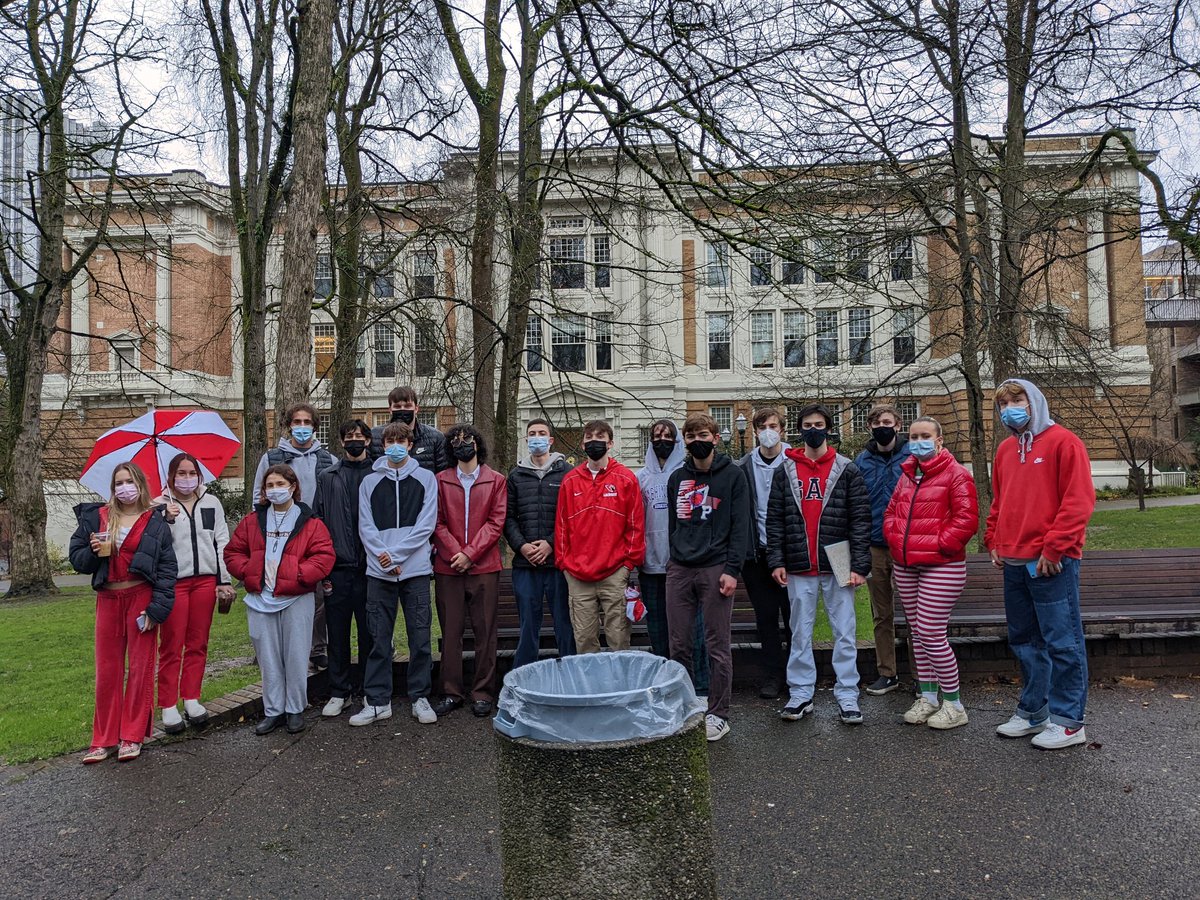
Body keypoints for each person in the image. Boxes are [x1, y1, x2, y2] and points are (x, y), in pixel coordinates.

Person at [986, 379, 1096, 750]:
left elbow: (1078, 501)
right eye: (1003, 403)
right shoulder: (1004, 449)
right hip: (1014, 562)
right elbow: (1000, 501)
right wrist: (994, 541)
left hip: (1050, 564)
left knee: (1062, 642)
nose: (1010, 408)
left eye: (1017, 400)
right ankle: (1035, 712)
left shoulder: (1065, 442)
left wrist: (1054, 549)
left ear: (1034, 401)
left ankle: (1069, 721)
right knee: (1025, 641)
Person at [768, 404, 872, 725]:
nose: (814, 429)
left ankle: (847, 693)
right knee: (800, 631)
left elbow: (860, 520)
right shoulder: (784, 469)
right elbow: (775, 520)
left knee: (845, 630)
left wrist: (860, 565)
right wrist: (777, 560)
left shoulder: (847, 468)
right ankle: (801, 693)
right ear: (800, 429)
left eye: (819, 424)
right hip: (799, 560)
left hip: (839, 556)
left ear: (829, 428)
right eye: (808, 424)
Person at [69, 463, 177, 763]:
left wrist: (156, 609)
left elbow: (168, 569)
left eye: (130, 481)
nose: (124, 488)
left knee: (141, 669)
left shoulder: (154, 522)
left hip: (141, 596)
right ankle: (102, 739)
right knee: (107, 670)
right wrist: (91, 551)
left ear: (141, 485)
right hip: (108, 598)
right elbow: (76, 558)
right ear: (112, 487)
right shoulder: (96, 517)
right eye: (119, 482)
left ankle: (131, 735)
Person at [224, 464, 336, 735]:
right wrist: (249, 572)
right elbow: (233, 552)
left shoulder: (310, 522)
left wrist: (298, 575)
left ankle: (295, 709)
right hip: (260, 599)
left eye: (280, 484)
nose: (275, 490)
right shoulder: (252, 521)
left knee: (296, 656)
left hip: (296, 598)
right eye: (269, 486)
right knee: (268, 658)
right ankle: (273, 711)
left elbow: (324, 556)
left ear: (293, 487)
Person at [883, 417, 978, 730]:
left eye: (925, 436)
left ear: (939, 440)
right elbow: (892, 512)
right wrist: (895, 539)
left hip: (942, 564)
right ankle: (928, 697)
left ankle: (954, 703)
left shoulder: (957, 475)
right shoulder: (908, 475)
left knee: (930, 631)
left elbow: (966, 520)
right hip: (907, 564)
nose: (918, 441)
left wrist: (939, 545)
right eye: (913, 436)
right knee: (918, 633)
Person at [666, 413, 752, 742]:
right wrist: (676, 559)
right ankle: (685, 707)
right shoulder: (677, 479)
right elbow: (676, 525)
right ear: (684, 442)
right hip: (680, 568)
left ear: (716, 437)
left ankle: (719, 713)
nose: (696, 440)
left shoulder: (733, 476)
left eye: (703, 434)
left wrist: (732, 570)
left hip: (717, 566)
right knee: (680, 645)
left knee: (717, 646)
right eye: (690, 436)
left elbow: (740, 526)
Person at [352, 421, 439, 726]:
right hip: (379, 573)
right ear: (383, 445)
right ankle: (377, 701)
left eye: (401, 440)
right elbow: (366, 526)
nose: (395, 446)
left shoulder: (427, 479)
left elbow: (426, 525)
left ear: (411, 444)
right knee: (378, 638)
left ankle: (420, 697)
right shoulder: (369, 482)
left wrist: (398, 555)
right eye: (390, 441)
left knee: (420, 637)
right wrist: (384, 560)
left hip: (415, 571)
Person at [252, 403, 335, 672]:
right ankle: (282, 647)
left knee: (318, 595)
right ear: (289, 425)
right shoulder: (273, 457)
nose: (301, 427)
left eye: (307, 422)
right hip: (280, 535)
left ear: (314, 426)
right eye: (296, 422)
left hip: (313, 534)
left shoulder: (327, 459)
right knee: (279, 590)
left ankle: (318, 647)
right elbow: (258, 496)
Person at [156, 453, 235, 734]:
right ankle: (167, 704)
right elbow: (153, 545)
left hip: (204, 581)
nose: (187, 478)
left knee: (197, 643)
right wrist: (164, 518)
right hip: (174, 583)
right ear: (170, 476)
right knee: (171, 645)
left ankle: (191, 697)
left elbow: (221, 540)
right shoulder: (159, 505)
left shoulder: (211, 502)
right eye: (181, 473)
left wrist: (223, 579)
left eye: (192, 473)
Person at [432, 424, 508, 718]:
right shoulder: (440, 480)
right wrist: (456, 554)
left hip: (484, 567)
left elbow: (496, 522)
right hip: (448, 568)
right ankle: (451, 692)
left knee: (485, 632)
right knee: (451, 632)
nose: (462, 445)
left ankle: (482, 692)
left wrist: (470, 554)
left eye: (468, 440)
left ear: (478, 444)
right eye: (456, 441)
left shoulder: (496, 480)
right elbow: (436, 522)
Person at [555, 420, 646, 654]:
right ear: (583, 443)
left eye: (600, 436)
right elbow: (562, 527)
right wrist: (564, 564)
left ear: (610, 443)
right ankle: (592, 690)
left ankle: (621, 688)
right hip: (577, 575)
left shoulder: (626, 478)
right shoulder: (570, 480)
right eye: (589, 436)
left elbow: (635, 526)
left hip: (614, 572)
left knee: (619, 639)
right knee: (584, 640)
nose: (594, 440)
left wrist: (627, 564)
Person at [637, 419, 709, 693]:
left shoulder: (690, 474)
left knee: (693, 632)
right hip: (650, 567)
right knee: (658, 632)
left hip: (684, 566)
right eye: (656, 435)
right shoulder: (640, 477)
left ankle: (700, 687)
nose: (662, 439)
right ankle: (667, 685)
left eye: (668, 435)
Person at [312, 419, 376, 717]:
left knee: (369, 633)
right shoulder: (328, 476)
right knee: (337, 633)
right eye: (349, 435)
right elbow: (318, 521)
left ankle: (366, 689)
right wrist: (324, 565)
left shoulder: (379, 473)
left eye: (359, 436)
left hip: (371, 568)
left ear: (367, 440)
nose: (354, 440)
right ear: (342, 441)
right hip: (338, 568)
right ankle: (339, 692)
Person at [504, 418, 575, 668]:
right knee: (527, 626)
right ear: (526, 439)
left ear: (551, 440)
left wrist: (550, 544)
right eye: (532, 433)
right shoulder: (515, 475)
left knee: (564, 625)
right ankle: (524, 678)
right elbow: (508, 517)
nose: (537, 437)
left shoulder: (567, 473)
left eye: (541, 433)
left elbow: (572, 518)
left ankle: (571, 675)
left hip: (557, 564)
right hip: (525, 565)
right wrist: (522, 546)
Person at [734, 407, 792, 699]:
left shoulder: (796, 463)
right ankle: (772, 675)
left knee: (796, 618)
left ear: (782, 429)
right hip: (758, 556)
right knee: (766, 619)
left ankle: (797, 676)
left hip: (792, 555)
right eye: (762, 427)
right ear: (755, 432)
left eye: (773, 425)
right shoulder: (743, 466)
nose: (768, 431)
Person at [369, 385, 451, 472]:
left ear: (416, 409)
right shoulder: (374, 436)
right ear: (390, 410)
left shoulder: (436, 437)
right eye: (397, 406)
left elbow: (443, 474)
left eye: (407, 406)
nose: (402, 409)